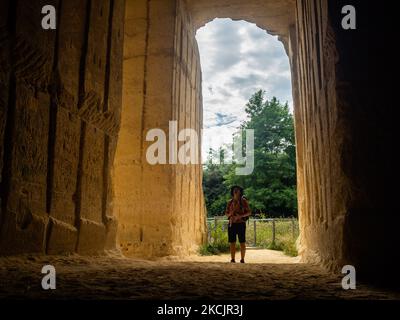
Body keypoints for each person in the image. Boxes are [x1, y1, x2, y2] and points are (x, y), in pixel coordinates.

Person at [225, 186, 251, 263]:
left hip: (241, 224)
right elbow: (226, 213)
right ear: (232, 192)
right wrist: (230, 214)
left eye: (237, 190)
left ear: (240, 192)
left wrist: (240, 216)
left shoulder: (244, 201)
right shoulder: (230, 202)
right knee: (232, 242)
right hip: (232, 223)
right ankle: (232, 259)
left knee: (242, 242)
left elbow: (249, 212)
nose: (236, 191)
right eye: (234, 190)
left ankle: (242, 259)